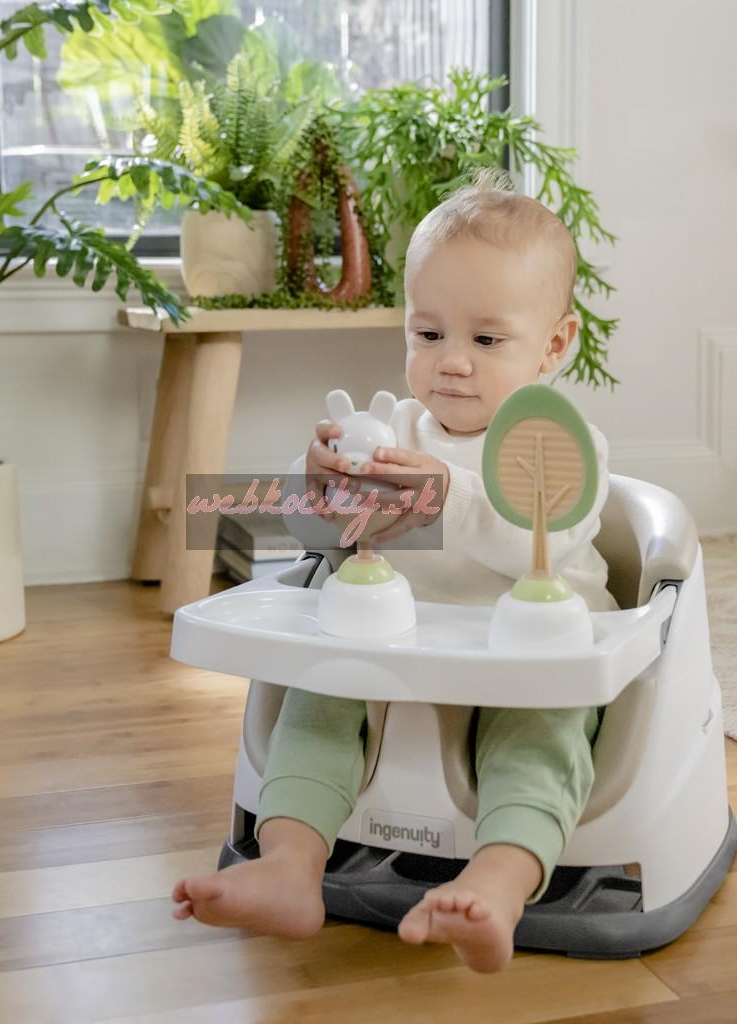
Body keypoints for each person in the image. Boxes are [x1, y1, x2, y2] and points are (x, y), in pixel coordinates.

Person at [171, 167, 617, 974]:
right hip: (396, 649)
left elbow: (544, 539)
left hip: (522, 657)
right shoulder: (388, 433)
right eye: (428, 334)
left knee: (542, 739)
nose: (452, 362)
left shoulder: (557, 440)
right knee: (316, 697)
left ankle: (497, 887)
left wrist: (452, 497)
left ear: (554, 345)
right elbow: (318, 540)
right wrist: (317, 486)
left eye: (486, 340)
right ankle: (288, 867)